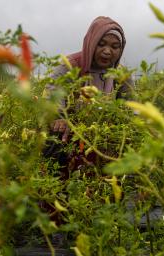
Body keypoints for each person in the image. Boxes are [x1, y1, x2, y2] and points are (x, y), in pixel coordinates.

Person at [43, 16, 133, 179]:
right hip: (72, 134)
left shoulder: (121, 74)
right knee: (63, 170)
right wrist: (59, 116)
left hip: (103, 137)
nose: (107, 51)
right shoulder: (72, 64)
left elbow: (132, 105)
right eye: (101, 44)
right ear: (91, 42)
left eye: (115, 46)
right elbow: (53, 90)